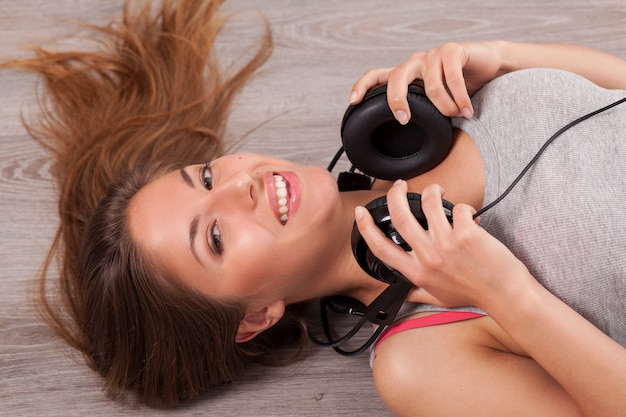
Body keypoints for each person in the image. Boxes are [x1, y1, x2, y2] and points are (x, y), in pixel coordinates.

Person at [3, 1, 625, 416]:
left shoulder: (414, 117)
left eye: (209, 174)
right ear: (254, 317)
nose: (239, 186)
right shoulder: (420, 361)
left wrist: (498, 56)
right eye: (215, 237)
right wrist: (506, 294)